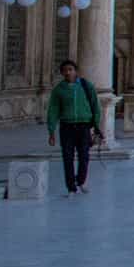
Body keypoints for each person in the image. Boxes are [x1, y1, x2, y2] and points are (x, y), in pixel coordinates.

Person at [45, 60, 103, 196]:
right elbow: (53, 110)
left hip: (83, 126)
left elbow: (95, 106)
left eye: (70, 69)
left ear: (76, 71)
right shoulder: (59, 90)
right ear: (62, 73)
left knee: (84, 156)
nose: (68, 72)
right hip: (67, 127)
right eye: (65, 70)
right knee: (67, 157)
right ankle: (71, 187)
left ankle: (81, 181)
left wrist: (96, 126)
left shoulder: (86, 86)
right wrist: (51, 130)